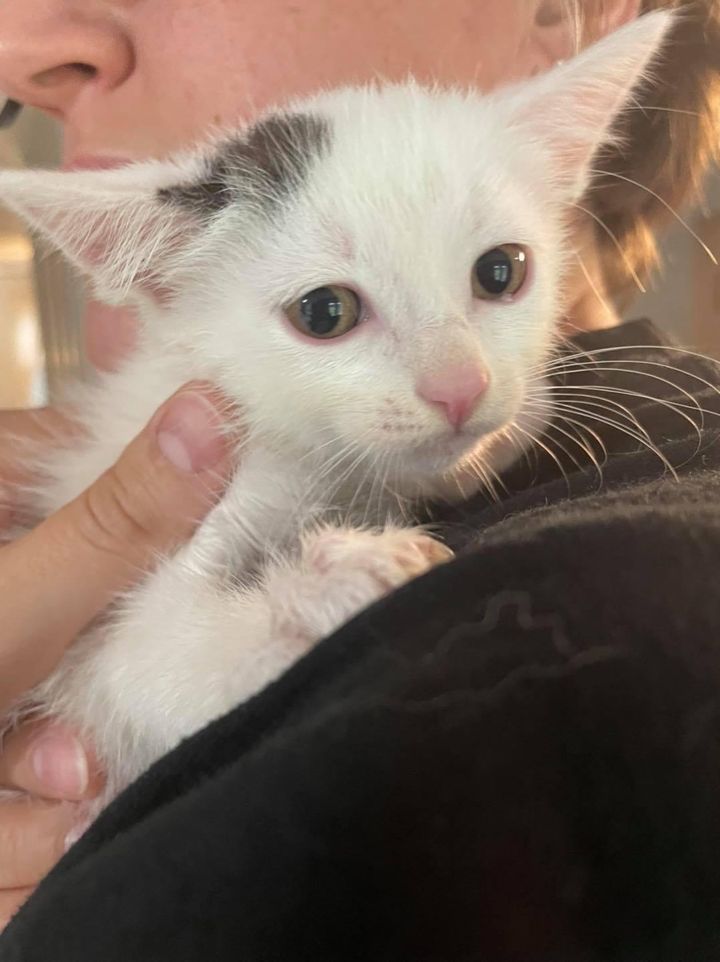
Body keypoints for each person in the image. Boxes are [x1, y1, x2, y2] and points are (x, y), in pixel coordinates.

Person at [0, 0, 718, 948]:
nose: (459, 385)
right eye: (330, 312)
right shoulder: (189, 442)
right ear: (161, 280)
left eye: (499, 277)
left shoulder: (623, 591)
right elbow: (135, 678)